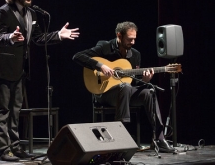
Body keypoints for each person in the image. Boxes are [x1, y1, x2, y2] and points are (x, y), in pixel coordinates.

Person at [0, 0, 79, 162]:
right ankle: (4, 149)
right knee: (3, 110)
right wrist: (10, 38)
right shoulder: (3, 12)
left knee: (16, 110)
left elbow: (38, 39)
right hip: (4, 68)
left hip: (21, 70)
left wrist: (58, 35)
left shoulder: (32, 13)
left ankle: (15, 147)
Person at [72, 21, 175, 153]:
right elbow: (77, 56)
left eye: (134, 39)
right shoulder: (105, 47)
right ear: (119, 35)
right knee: (125, 86)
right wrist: (100, 66)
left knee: (150, 91)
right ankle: (122, 135)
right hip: (104, 94)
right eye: (129, 39)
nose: (132, 42)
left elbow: (135, 83)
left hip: (125, 92)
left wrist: (144, 80)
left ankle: (159, 139)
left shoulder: (135, 55)